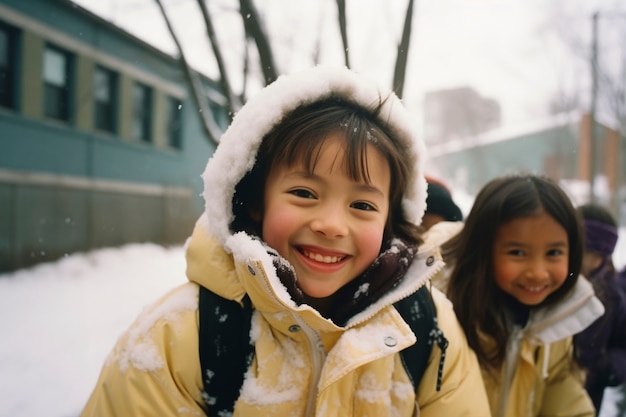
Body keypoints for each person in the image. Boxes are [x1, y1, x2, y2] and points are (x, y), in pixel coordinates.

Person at [80, 66, 490, 417]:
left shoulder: (425, 326)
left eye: (362, 204)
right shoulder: (176, 338)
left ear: (389, 221)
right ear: (257, 200)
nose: (331, 225)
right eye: (304, 194)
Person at [444, 174, 605, 417]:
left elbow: (559, 388)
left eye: (553, 252)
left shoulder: (557, 318)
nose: (538, 273)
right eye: (518, 252)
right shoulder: (446, 314)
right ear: (483, 250)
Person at [574, 203, 626, 415]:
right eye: (587, 251)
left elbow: (622, 345)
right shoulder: (549, 287)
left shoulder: (613, 298)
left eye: (599, 254)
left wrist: (606, 367)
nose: (593, 261)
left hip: (588, 399)